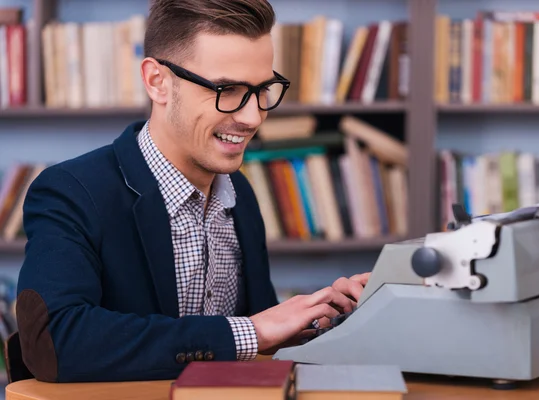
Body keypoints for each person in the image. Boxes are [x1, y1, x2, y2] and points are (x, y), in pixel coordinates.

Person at [15, 0, 371, 384]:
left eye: (263, 89)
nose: (253, 118)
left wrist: (321, 318)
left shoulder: (241, 195)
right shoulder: (70, 192)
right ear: (157, 82)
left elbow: (255, 342)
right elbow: (55, 341)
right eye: (227, 89)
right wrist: (252, 332)